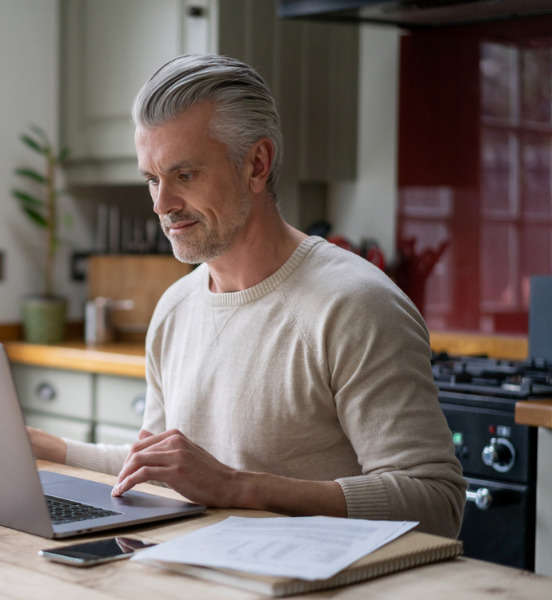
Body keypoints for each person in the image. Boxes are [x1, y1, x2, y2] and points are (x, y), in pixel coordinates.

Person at [28, 53, 466, 538]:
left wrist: (243, 487)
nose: (161, 204)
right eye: (152, 179)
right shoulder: (175, 308)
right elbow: (159, 465)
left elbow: (436, 503)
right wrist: (46, 449)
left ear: (257, 164)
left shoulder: (355, 305)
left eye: (185, 175)